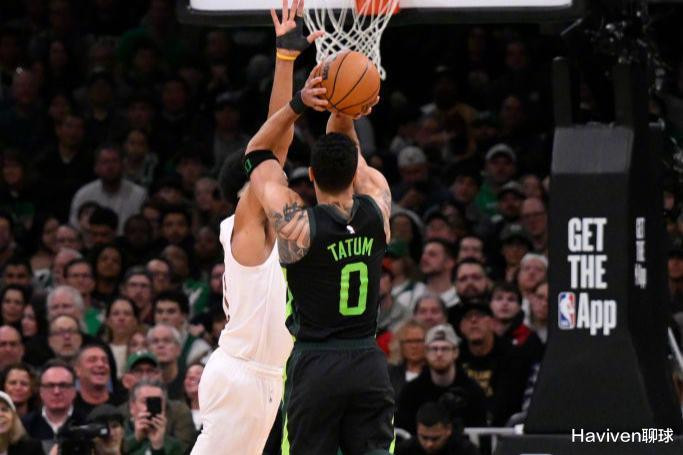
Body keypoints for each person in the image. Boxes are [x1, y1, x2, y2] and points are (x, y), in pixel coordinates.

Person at [242, 36, 393, 455]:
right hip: (367, 360)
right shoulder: (378, 206)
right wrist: (345, 110)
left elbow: (256, 153)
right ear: (356, 171)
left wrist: (300, 103)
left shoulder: (297, 225)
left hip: (316, 362)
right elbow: (351, 153)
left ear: (310, 175)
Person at [191, 4, 322, 453]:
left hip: (262, 377)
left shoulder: (265, 223)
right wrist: (296, 101)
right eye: (270, 176)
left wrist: (286, 59)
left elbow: (272, 147)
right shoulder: (246, 224)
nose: (282, 182)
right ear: (247, 189)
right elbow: (268, 151)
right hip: (242, 376)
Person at [395, 324, 486, 435]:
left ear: (455, 352)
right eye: (434, 349)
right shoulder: (411, 391)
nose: (439, 354)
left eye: (445, 349)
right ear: (426, 352)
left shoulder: (472, 390)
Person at [22, 360, 86, 453]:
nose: (56, 392)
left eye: (63, 385)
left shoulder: (86, 423)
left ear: (74, 390)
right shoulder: (25, 426)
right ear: (41, 391)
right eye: (50, 385)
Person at [396, 401, 480, 455]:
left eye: (435, 438)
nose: (429, 444)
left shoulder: (466, 451)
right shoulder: (404, 450)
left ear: (448, 430)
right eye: (424, 437)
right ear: (417, 430)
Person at [125, 380, 183, 455]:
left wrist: (158, 447)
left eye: (156, 403)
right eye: (145, 401)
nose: (149, 408)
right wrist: (135, 439)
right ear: (132, 407)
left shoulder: (174, 446)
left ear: (164, 408)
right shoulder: (117, 436)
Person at [389, 319, 427, 398]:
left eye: (419, 341)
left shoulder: (436, 374)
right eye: (409, 341)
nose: (414, 346)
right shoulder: (389, 374)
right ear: (400, 345)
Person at [182, 363, 203, 431]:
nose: (191, 376)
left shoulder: (216, 413)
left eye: (198, 373)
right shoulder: (177, 413)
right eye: (188, 375)